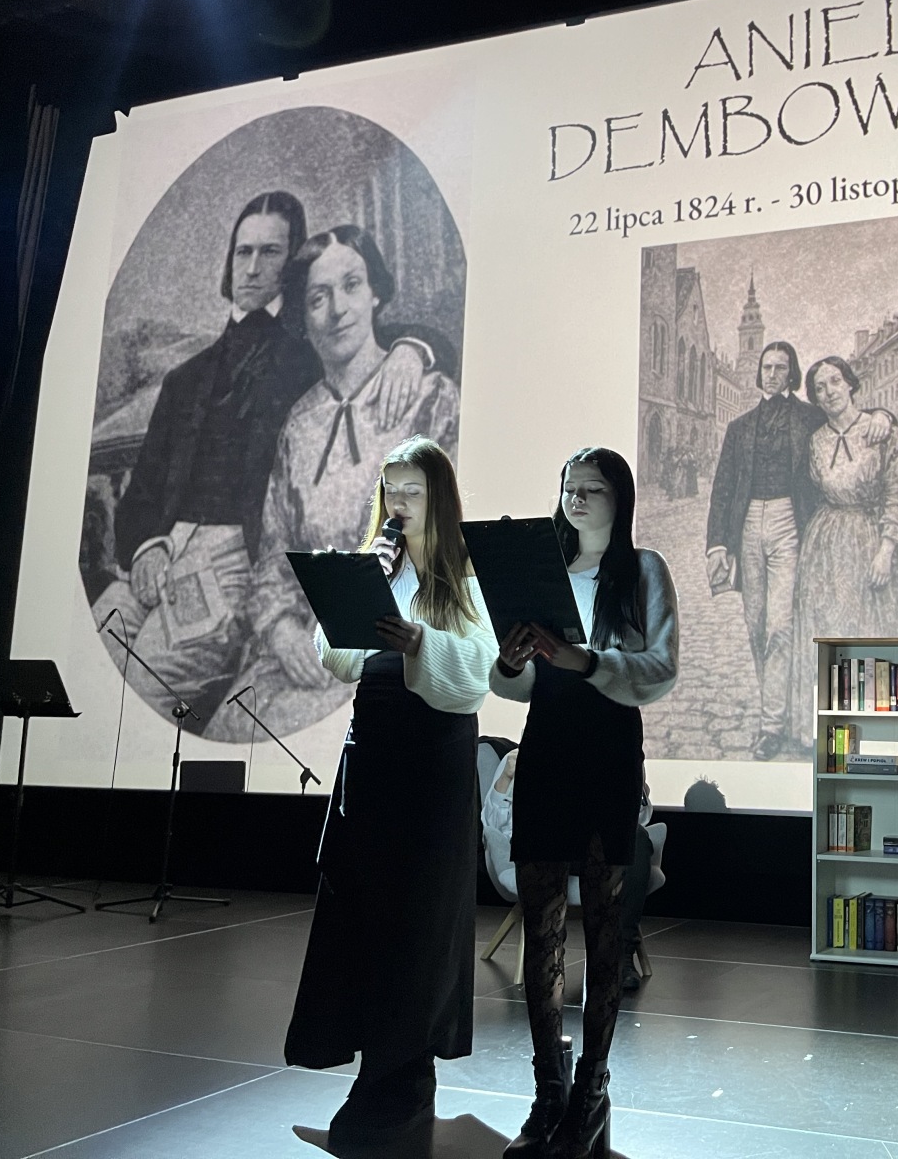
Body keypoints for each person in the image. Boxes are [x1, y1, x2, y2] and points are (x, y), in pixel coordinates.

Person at [93, 192, 434, 730]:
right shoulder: (185, 378)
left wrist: (414, 349)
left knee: (144, 685)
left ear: (292, 264)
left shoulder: (313, 348)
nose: (252, 268)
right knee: (95, 658)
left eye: (270, 252)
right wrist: (148, 547)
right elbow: (140, 497)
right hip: (162, 551)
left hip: (237, 554)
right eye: (243, 252)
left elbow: (378, 337)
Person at [284, 435, 497, 1153]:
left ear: (439, 497)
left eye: (412, 491)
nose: (399, 503)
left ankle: (390, 1107)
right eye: (391, 490)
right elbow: (339, 659)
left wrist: (419, 644)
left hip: (431, 762)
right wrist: (352, 596)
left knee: (417, 934)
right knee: (366, 925)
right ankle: (377, 1103)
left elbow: (479, 673)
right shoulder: (380, 562)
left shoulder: (464, 574)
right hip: (371, 757)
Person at [490, 447, 679, 1159]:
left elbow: (662, 666)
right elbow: (514, 684)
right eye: (569, 488)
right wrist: (509, 663)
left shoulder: (644, 570)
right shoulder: (544, 571)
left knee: (603, 931)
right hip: (546, 747)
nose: (576, 500)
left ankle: (591, 1092)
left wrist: (587, 660)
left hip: (607, 750)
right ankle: (550, 1091)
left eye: (592, 489)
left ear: (619, 499)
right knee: (541, 930)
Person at [218, 224, 460, 739]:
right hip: (300, 654)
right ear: (303, 320)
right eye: (318, 298)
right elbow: (274, 557)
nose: (338, 309)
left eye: (352, 285)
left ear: (375, 293)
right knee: (233, 728)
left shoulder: (431, 398)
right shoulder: (298, 425)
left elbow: (444, 550)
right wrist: (281, 632)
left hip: (394, 648)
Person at [705, 341, 889, 760]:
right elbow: (722, 488)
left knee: (780, 626)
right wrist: (717, 543)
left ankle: (772, 725)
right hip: (748, 526)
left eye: (780, 368)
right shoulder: (739, 427)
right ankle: (777, 707)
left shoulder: (807, 416)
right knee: (756, 624)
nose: (771, 374)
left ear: (791, 374)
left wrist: (884, 416)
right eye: (766, 367)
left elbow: (849, 414)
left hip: (789, 521)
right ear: (759, 373)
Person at [790, 355, 898, 742]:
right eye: (819, 388)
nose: (829, 392)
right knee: (832, 632)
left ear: (850, 384)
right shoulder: (816, 440)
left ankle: (883, 729)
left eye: (835, 381)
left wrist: (887, 549)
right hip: (826, 547)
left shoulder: (880, 430)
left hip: (874, 539)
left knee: (877, 632)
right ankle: (835, 730)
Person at [479, 737, 658, 991]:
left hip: (592, 849)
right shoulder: (521, 758)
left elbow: (639, 819)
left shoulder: (603, 757)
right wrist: (506, 779)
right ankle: (549, 956)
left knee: (636, 837)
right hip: (544, 850)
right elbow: (492, 824)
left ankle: (621, 959)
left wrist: (634, 785)